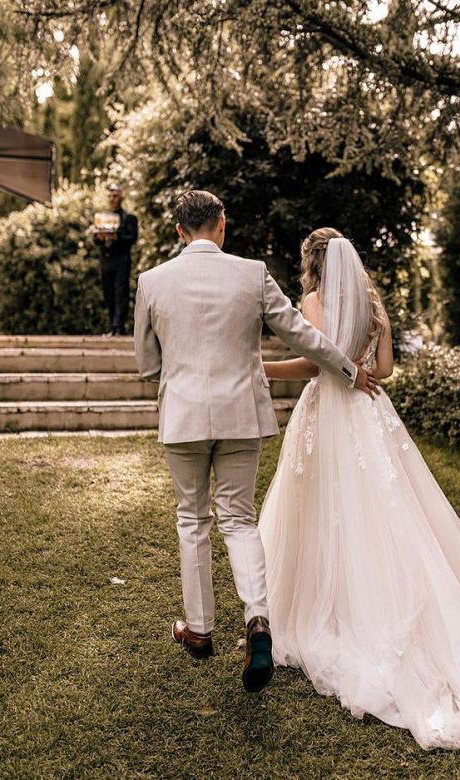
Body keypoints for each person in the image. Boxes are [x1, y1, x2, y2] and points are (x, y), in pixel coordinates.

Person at [259, 228, 460, 749]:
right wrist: (358, 367)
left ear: (314, 263)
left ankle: (327, 608)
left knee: (321, 511)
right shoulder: (374, 307)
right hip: (369, 415)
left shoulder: (312, 300)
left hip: (330, 411)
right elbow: (383, 370)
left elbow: (317, 362)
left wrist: (263, 368)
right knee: (383, 513)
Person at [132, 192, 379, 693]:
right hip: (242, 415)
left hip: (182, 416)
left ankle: (199, 630)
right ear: (222, 225)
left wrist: (177, 378)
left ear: (179, 231)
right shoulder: (252, 273)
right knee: (239, 519)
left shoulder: (151, 282)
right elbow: (301, 335)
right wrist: (351, 370)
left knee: (192, 519)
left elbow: (146, 365)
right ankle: (259, 622)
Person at [93, 183, 138, 336]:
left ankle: (119, 326)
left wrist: (116, 237)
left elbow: (132, 238)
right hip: (105, 260)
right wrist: (99, 237)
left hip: (121, 260)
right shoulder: (102, 217)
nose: (112, 199)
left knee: (121, 293)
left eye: (115, 196)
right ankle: (113, 326)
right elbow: (96, 240)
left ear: (121, 198)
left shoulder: (130, 218)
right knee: (108, 294)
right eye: (110, 196)